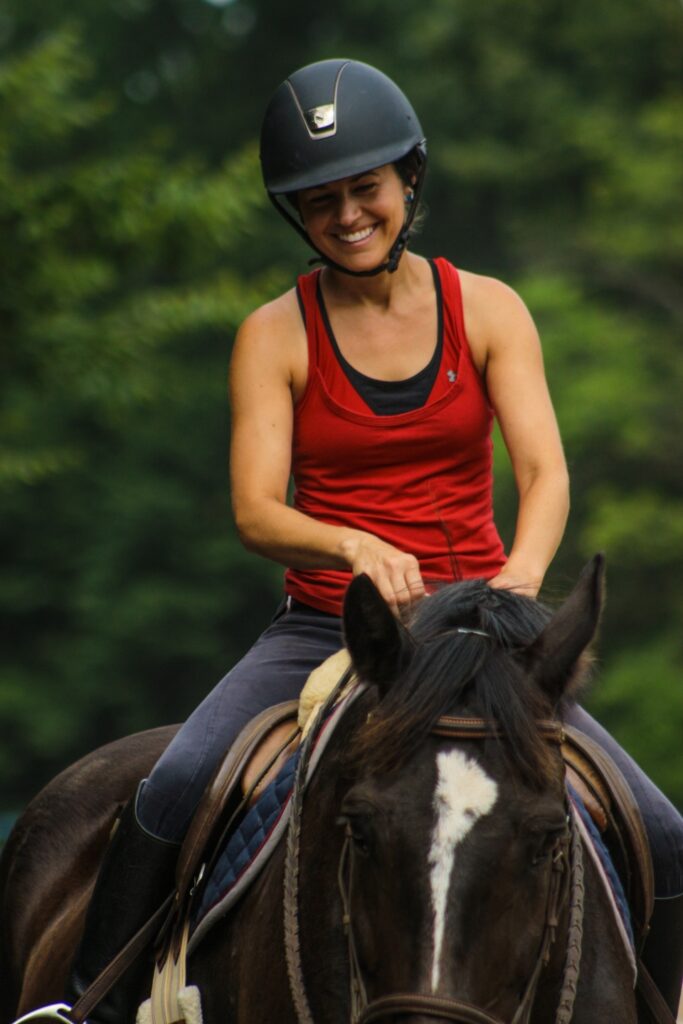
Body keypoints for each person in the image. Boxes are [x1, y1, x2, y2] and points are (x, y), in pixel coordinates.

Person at [52, 59, 681, 1022]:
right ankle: (81, 1009)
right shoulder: (274, 335)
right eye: (319, 201)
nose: (347, 214)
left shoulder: (489, 309)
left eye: (365, 189)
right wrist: (350, 546)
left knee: (661, 829)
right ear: (294, 215)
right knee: (175, 784)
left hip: (479, 641)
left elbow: (546, 475)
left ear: (409, 183)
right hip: (330, 633)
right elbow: (257, 509)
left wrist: (513, 586)